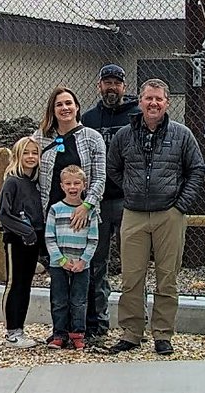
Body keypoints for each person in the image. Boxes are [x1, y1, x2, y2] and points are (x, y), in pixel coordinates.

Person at [106, 78, 205, 356]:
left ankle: (162, 333)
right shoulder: (124, 136)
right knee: (131, 278)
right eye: (148, 98)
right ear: (140, 102)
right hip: (134, 214)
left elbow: (196, 170)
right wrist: (130, 188)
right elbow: (113, 167)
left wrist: (180, 205)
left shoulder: (182, 134)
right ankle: (131, 332)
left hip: (169, 215)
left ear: (167, 103)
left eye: (158, 99)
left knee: (167, 278)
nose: (153, 103)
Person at [79, 63, 140, 345]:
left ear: (124, 88)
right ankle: (97, 322)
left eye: (117, 83)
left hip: (130, 200)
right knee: (96, 262)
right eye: (107, 83)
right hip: (98, 201)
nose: (112, 87)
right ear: (99, 86)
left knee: (133, 266)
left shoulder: (137, 116)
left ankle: (134, 325)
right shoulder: (88, 118)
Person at [31, 87, 107, 244]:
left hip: (81, 212)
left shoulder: (93, 138)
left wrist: (86, 206)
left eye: (68, 103)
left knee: (82, 263)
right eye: (59, 105)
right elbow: (25, 163)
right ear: (53, 109)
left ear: (76, 107)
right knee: (55, 262)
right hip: (51, 212)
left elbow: (99, 178)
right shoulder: (40, 136)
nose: (64, 108)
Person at [0, 136, 46, 349]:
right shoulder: (12, 181)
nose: (30, 157)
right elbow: (3, 214)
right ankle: (11, 331)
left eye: (34, 153)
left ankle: (21, 329)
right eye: (26, 152)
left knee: (26, 285)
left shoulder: (34, 183)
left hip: (32, 240)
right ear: (17, 155)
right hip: (16, 241)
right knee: (14, 283)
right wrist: (25, 231)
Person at [44, 164, 100, 350]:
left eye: (77, 183)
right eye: (68, 183)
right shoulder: (55, 209)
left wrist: (84, 261)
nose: (73, 187)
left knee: (79, 300)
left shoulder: (90, 212)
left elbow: (93, 239)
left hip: (80, 264)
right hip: (59, 264)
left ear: (84, 185)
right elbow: (49, 237)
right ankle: (59, 334)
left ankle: (78, 334)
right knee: (59, 300)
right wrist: (60, 260)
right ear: (62, 186)